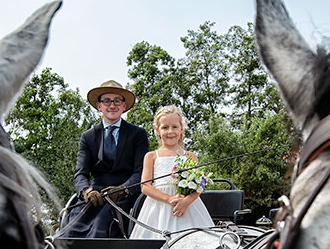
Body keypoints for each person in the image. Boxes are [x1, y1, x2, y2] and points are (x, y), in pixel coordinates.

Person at [58, 80, 150, 238]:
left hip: (124, 197)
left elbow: (140, 172)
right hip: (95, 197)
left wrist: (123, 190)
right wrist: (87, 191)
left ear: (123, 106)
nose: (112, 105)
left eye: (117, 101)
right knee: (69, 232)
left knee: (100, 227)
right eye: (107, 101)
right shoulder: (88, 137)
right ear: (99, 106)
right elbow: (80, 173)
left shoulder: (138, 134)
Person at [129, 105, 214, 240]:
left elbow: (200, 184)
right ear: (157, 130)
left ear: (181, 129)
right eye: (165, 127)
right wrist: (169, 199)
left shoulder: (190, 156)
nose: (170, 131)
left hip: (188, 207)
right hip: (159, 207)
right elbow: (145, 186)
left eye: (175, 127)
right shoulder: (151, 156)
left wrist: (186, 202)